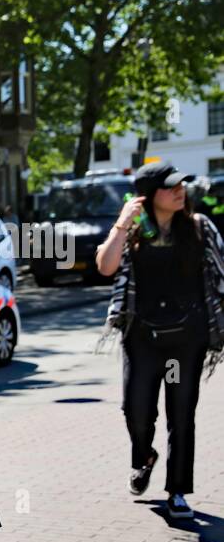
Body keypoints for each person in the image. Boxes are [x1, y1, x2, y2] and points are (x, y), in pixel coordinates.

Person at [96, 161, 224, 520]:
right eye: (170, 187)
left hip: (185, 340)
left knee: (181, 414)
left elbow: (221, 273)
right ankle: (144, 457)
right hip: (142, 338)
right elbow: (105, 266)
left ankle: (178, 491)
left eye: (182, 184)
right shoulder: (133, 230)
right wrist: (123, 222)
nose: (180, 190)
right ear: (148, 196)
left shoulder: (200, 228)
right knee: (136, 411)